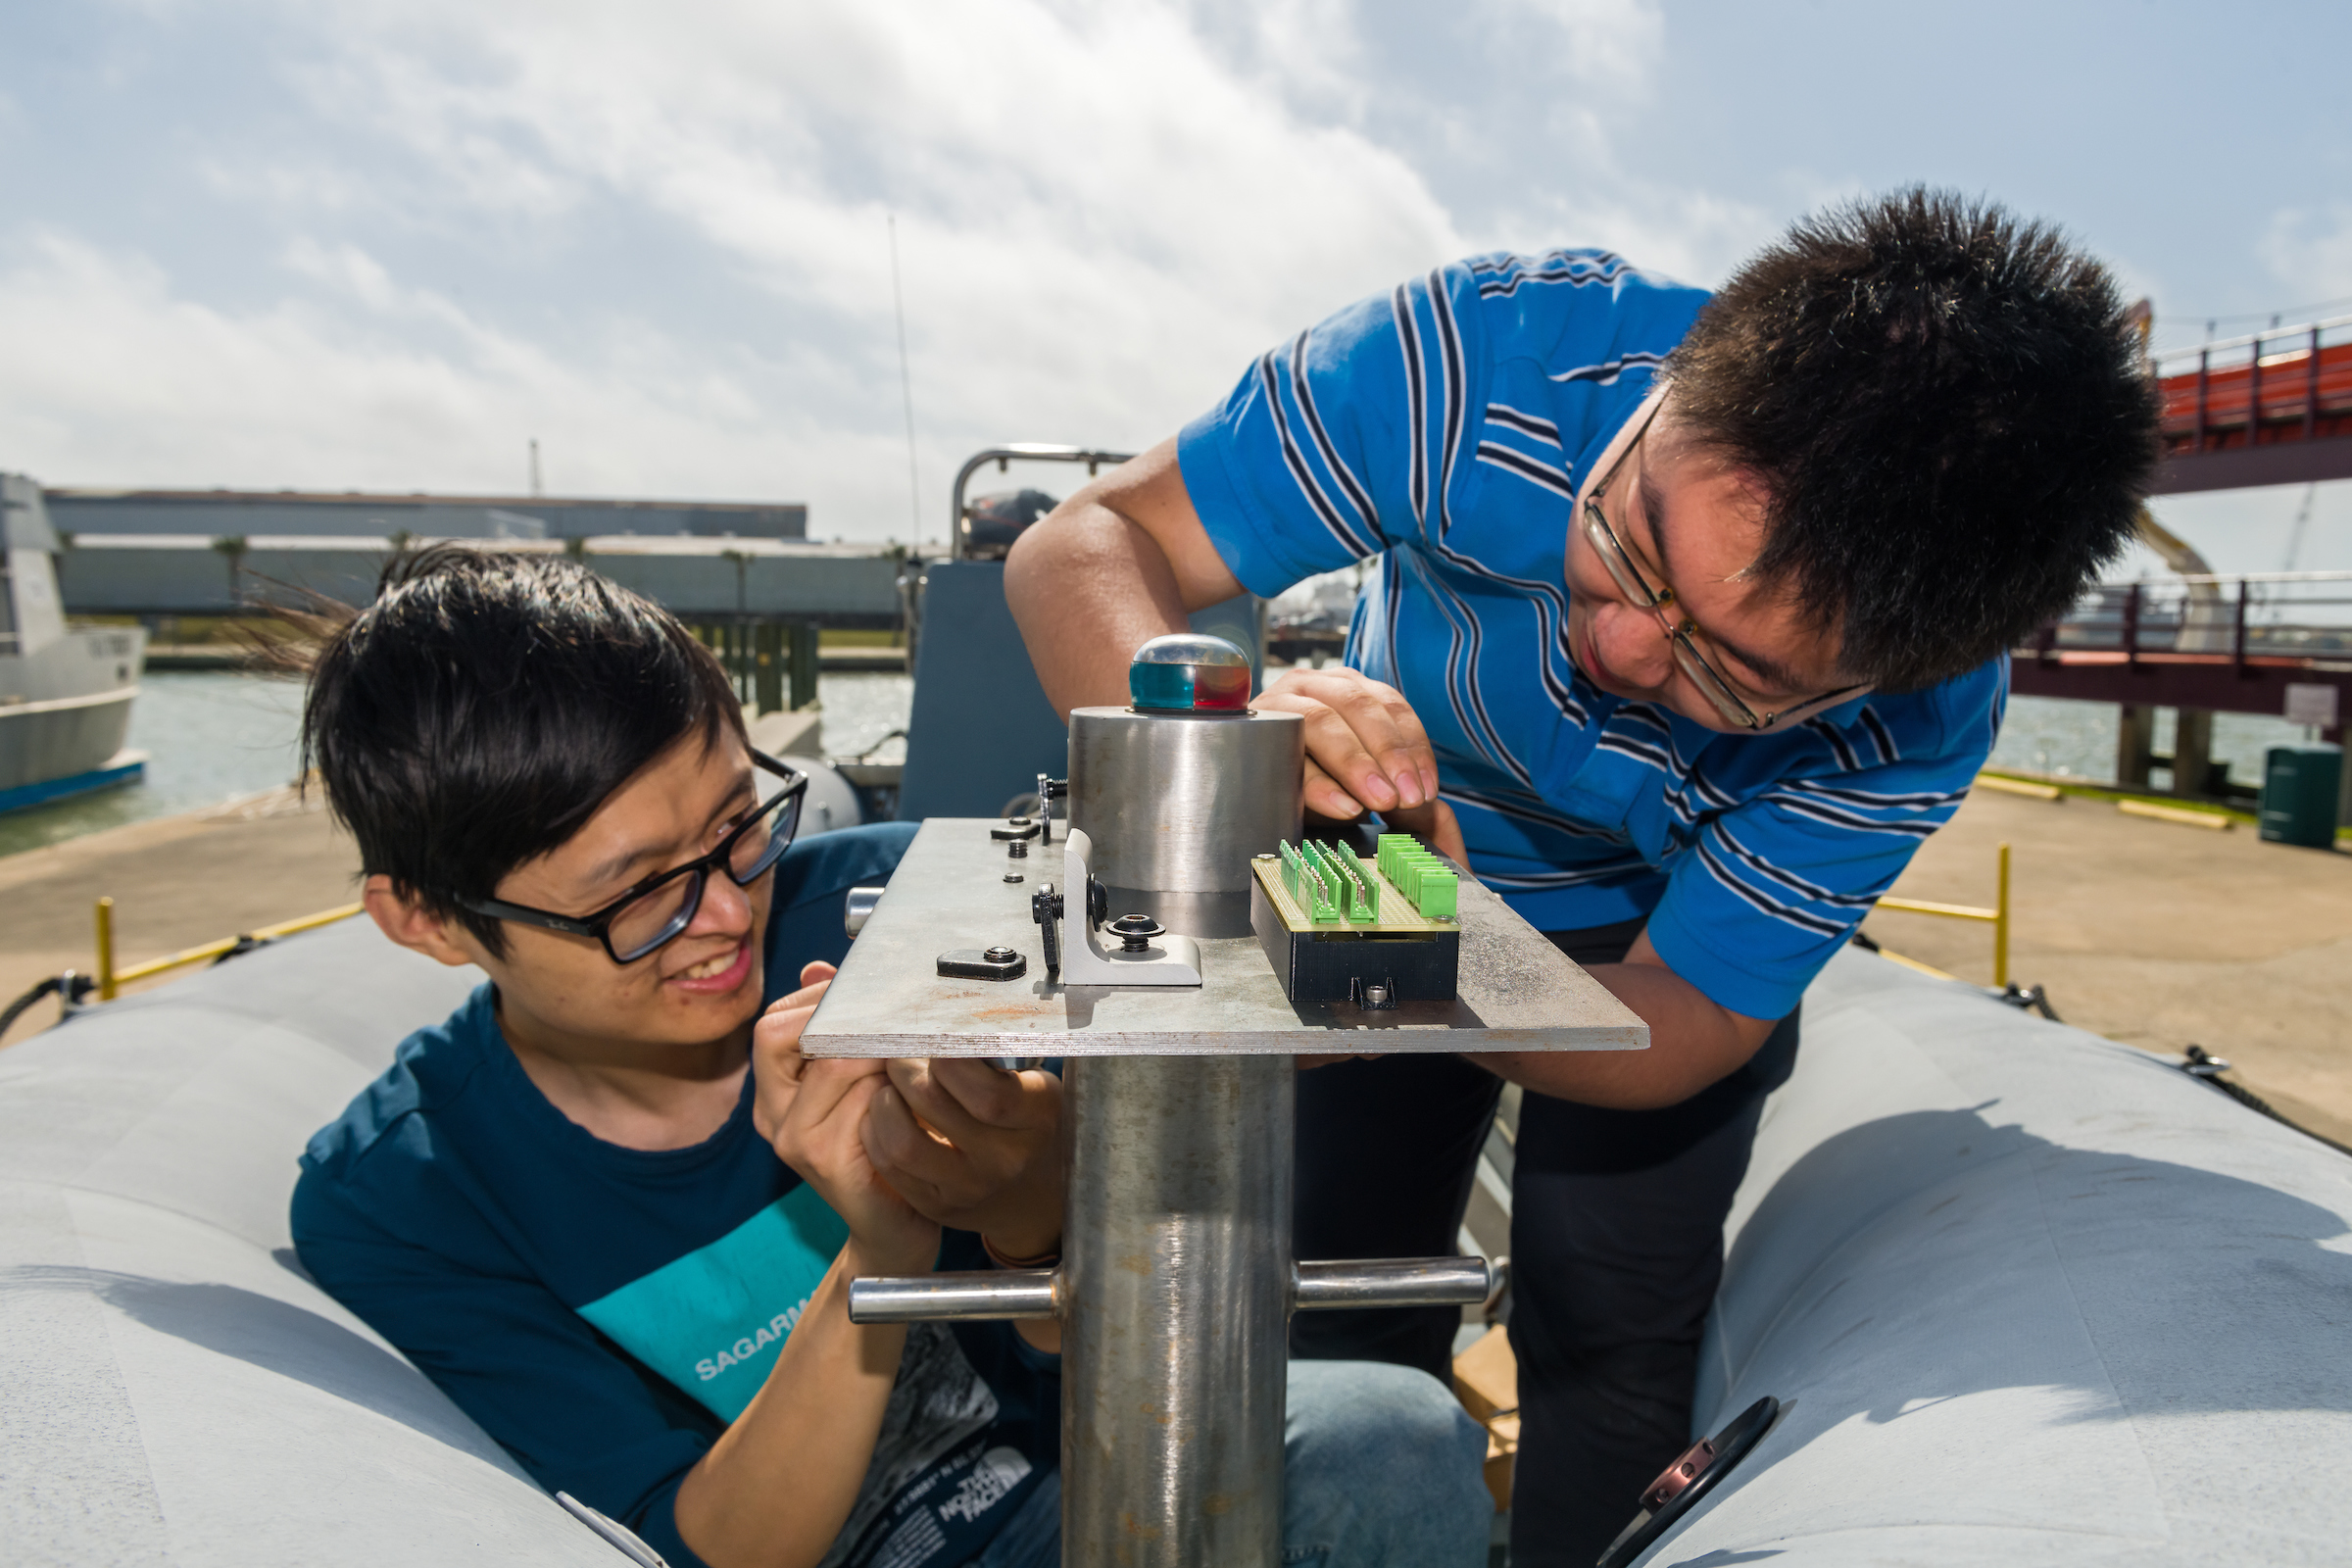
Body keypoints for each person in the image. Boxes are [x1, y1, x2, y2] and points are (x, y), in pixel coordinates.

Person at [1004, 188, 2161, 1565]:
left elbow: (1696, 1016)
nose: (1616, 651)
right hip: (1375, 870)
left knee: (1612, 1343)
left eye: (1731, 674)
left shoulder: (1922, 717)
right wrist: (1220, 743)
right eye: (1625, 542)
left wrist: (1437, 974)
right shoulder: (1483, 355)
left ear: (1882, 682)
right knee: (1338, 1305)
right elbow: (1086, 545)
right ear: (1681, 380)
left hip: (1629, 951)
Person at [290, 547, 1490, 1568]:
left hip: (1059, 1477)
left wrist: (1023, 1187)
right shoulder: (406, 1198)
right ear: (429, 920)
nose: (722, 918)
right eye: (638, 896)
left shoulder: (895, 897)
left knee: (1394, 1432)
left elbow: (1090, 1339)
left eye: (732, 831)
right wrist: (884, 1239)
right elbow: (706, 1543)